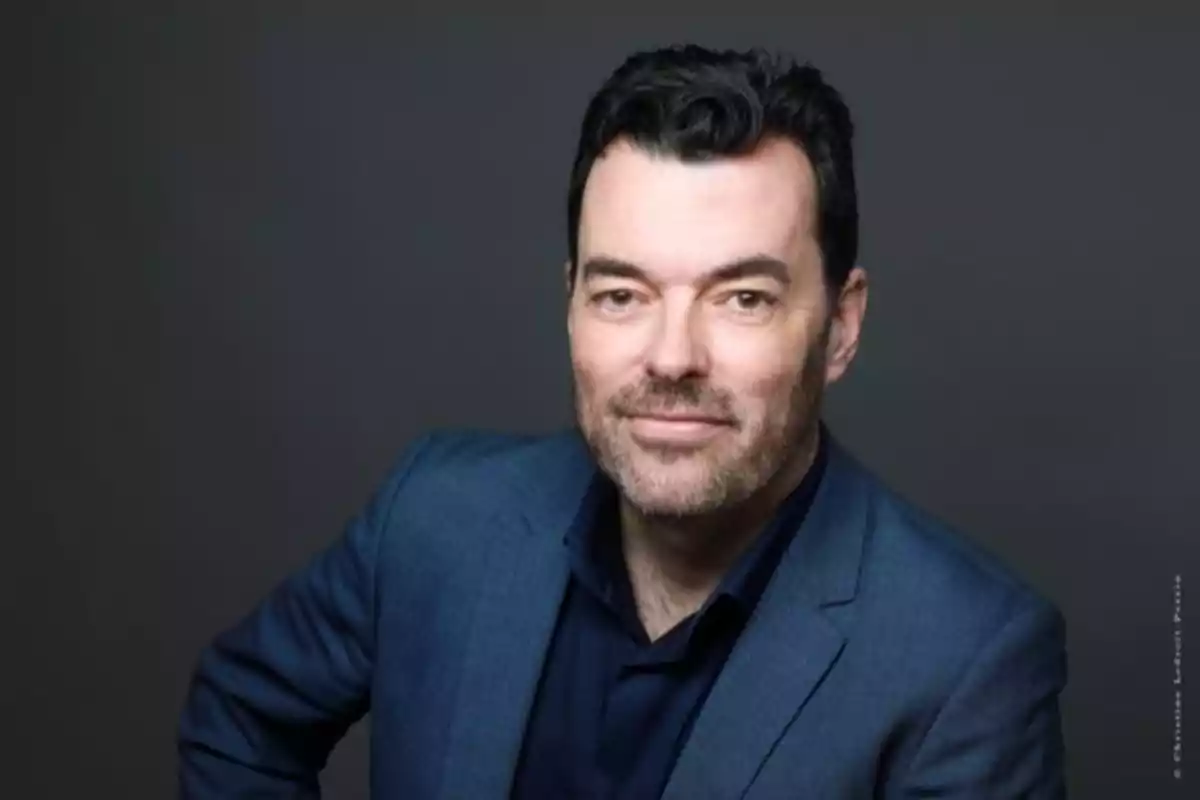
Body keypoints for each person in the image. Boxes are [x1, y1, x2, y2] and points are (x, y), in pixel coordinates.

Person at [178, 44, 1067, 799]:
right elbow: (239, 717)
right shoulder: (433, 516)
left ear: (840, 327)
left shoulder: (968, 660)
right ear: (569, 303)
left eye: (743, 297)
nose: (672, 356)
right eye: (622, 293)